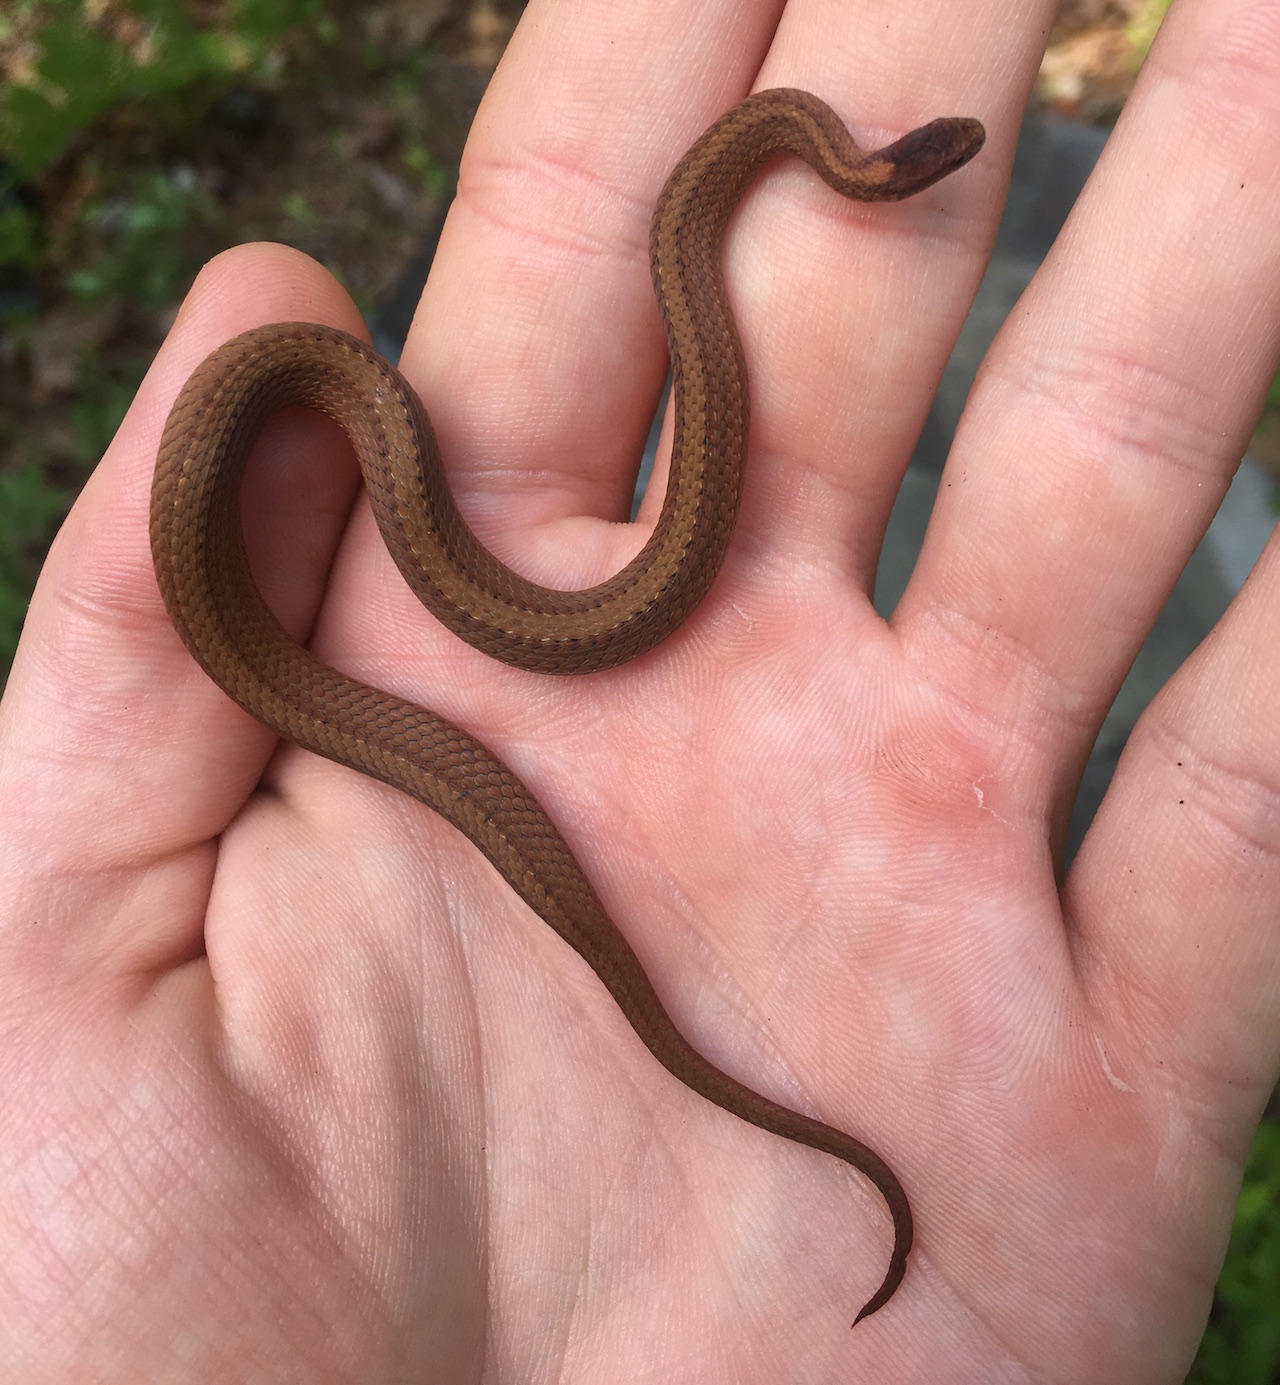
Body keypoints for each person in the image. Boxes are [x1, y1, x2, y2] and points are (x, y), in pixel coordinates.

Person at [2, 0, 1277, 1379]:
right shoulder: (766, 161)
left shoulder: (767, 157)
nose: (938, 165)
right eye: (927, 165)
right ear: (886, 168)